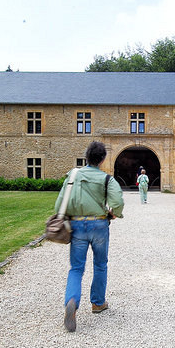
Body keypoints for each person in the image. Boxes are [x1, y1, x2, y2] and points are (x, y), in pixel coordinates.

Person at [54, 141, 124, 332]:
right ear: (102, 160)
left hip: (77, 225)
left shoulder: (73, 175)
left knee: (76, 268)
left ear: (86, 157)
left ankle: (72, 301)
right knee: (100, 264)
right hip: (100, 224)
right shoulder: (106, 179)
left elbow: (59, 203)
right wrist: (113, 212)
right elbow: (117, 201)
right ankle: (98, 303)